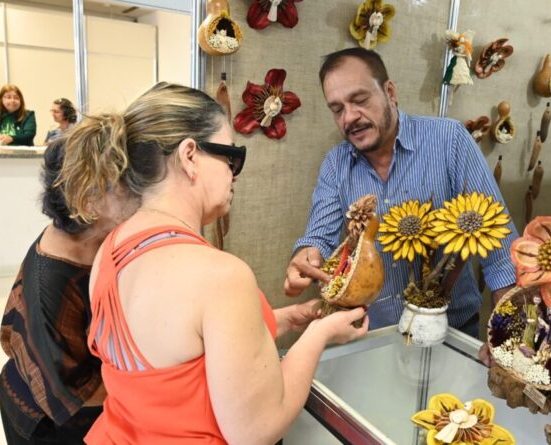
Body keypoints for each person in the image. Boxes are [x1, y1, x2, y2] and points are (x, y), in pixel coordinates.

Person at [57, 82, 368, 444]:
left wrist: (287, 319)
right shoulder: (221, 276)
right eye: (230, 157)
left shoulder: (111, 250)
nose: (234, 174)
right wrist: (319, 335)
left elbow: (178, 352)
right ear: (190, 156)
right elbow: (256, 430)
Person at [284, 48, 518, 338]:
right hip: (373, 335)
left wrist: (506, 334)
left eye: (359, 100)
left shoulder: (450, 141)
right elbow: (319, 236)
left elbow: (500, 248)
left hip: (451, 330)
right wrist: (306, 256)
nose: (350, 118)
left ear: (390, 92)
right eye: (337, 109)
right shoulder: (336, 164)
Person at [0, 138, 138, 444]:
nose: (137, 190)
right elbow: (77, 394)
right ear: (88, 200)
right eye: (124, 183)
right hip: (44, 419)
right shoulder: (52, 286)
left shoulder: (88, 234)